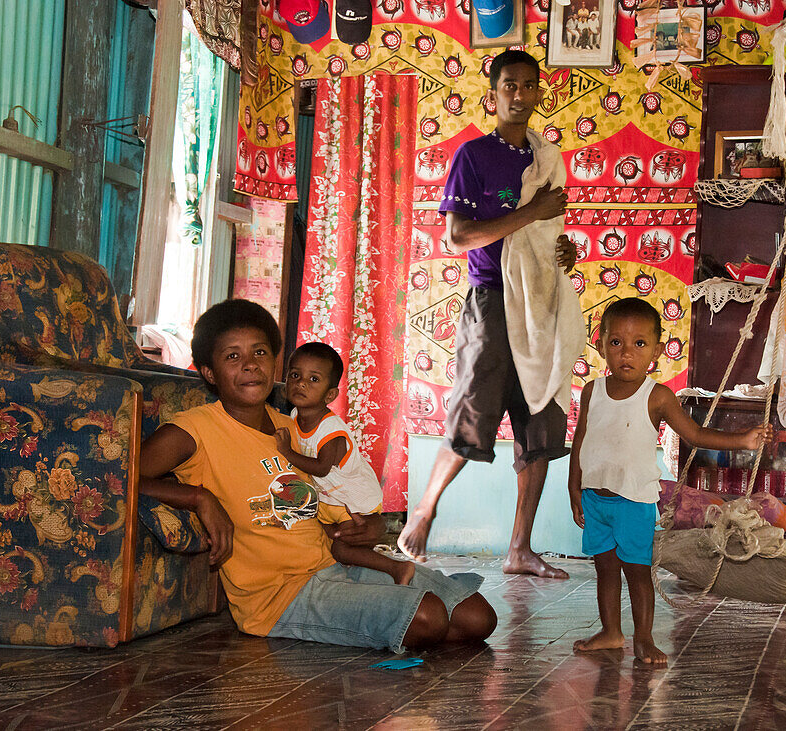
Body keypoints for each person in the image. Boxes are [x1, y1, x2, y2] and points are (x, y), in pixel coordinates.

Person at [140, 299, 496, 652]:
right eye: (232, 356)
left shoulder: (294, 427)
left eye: (260, 353)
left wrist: (367, 529)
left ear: (276, 361)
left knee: (478, 618)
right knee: (428, 618)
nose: (250, 365)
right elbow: (119, 479)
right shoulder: (195, 430)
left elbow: (317, 507)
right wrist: (200, 498)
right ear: (209, 373)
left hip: (335, 561)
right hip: (281, 596)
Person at [396, 49, 577, 579]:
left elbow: (546, 236)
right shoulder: (473, 157)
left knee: (541, 418)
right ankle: (424, 511)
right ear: (493, 92)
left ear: (540, 92)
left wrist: (565, 252)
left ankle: (519, 549)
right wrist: (529, 213)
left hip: (538, 302)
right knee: (472, 410)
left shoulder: (546, 158)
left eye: (528, 86)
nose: (519, 95)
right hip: (493, 300)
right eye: (509, 86)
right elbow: (458, 237)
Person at [568, 297, 773, 664]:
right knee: (605, 569)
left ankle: (643, 638)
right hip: (595, 500)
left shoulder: (657, 397)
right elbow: (581, 440)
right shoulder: (591, 392)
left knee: (637, 571)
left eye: (639, 344)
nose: (626, 353)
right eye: (616, 343)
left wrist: (742, 439)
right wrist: (574, 487)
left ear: (657, 351)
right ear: (600, 345)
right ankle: (612, 632)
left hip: (633, 502)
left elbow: (695, 434)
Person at [273, 341, 415, 585]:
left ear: (330, 395)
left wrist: (286, 451)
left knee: (341, 549)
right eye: (295, 375)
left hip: (354, 499)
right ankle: (368, 569)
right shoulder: (295, 416)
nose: (301, 383)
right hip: (332, 497)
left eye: (313, 379)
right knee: (330, 542)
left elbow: (321, 467)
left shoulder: (331, 430)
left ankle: (398, 569)